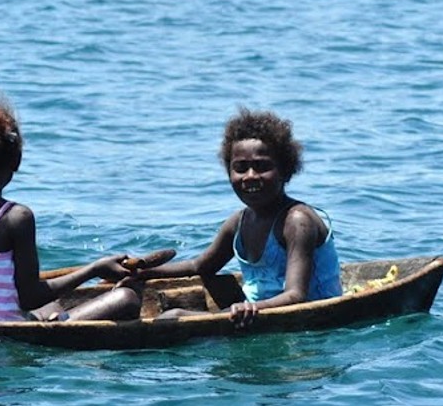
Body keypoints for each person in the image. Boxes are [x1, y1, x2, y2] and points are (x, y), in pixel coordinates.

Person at [0, 97, 149, 322]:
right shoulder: (16, 218)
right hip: (4, 338)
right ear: (16, 162)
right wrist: (94, 269)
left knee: (50, 307)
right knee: (125, 298)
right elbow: (29, 298)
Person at [141, 108, 342, 328]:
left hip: (305, 323)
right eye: (240, 168)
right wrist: (142, 272)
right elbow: (199, 266)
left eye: (262, 167)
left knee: (172, 319)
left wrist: (249, 308)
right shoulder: (240, 222)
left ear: (285, 170)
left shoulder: (297, 221)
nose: (250, 177)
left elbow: (296, 295)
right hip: (255, 315)